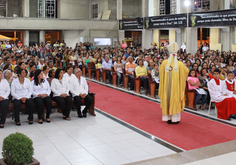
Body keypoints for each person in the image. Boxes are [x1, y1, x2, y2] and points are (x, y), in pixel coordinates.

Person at [159, 42, 189, 124]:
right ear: (177, 54)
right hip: (176, 87)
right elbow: (186, 71)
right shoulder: (180, 64)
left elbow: (161, 73)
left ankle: (168, 118)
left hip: (167, 86)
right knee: (174, 100)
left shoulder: (165, 63)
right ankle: (175, 119)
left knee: (169, 100)